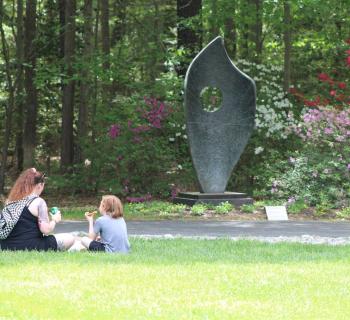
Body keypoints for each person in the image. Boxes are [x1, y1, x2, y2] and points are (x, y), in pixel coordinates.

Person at [0, 168, 74, 251]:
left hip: (5, 246)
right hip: (30, 245)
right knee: (70, 238)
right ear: (39, 185)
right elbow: (46, 230)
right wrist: (54, 220)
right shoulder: (39, 202)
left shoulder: (10, 202)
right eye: (43, 185)